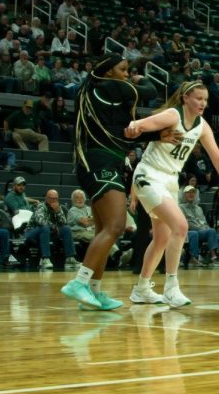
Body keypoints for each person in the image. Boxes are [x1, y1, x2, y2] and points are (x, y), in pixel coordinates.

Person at [60, 54, 173, 310]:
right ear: (108, 71)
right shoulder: (108, 85)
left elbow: (122, 134)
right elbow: (151, 90)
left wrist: (157, 135)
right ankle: (79, 282)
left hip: (103, 161)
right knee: (116, 226)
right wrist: (140, 78)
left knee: (105, 230)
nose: (126, 74)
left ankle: (94, 292)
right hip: (99, 163)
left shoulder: (106, 98)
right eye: (123, 69)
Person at [124, 80, 219, 308]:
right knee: (181, 227)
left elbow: (216, 157)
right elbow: (140, 124)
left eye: (205, 99)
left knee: (162, 238)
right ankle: (171, 287)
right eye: (198, 98)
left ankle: (142, 288)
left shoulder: (202, 126)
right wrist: (135, 128)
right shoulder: (173, 115)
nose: (203, 103)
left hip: (170, 180)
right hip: (150, 175)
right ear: (186, 98)